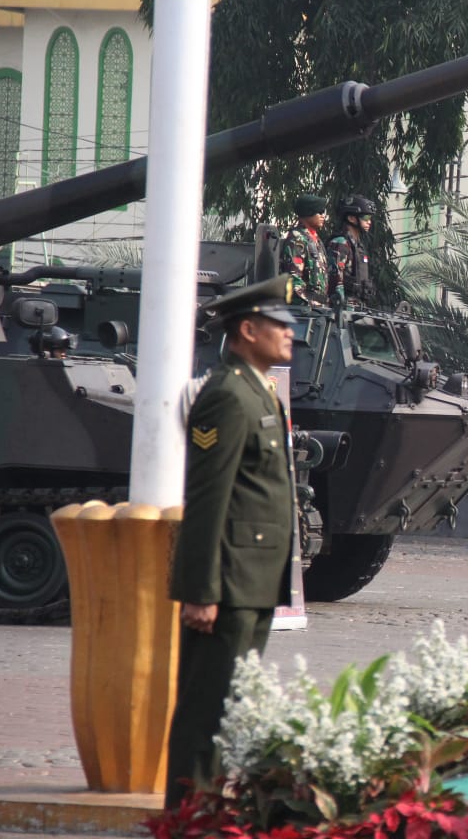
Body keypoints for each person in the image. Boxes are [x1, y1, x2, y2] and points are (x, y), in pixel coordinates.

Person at [164, 275, 297, 807]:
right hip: (227, 588)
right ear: (247, 329)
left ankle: (213, 809)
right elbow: (208, 500)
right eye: (278, 325)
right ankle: (186, 816)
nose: (290, 334)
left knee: (233, 708)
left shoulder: (258, 390)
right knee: (206, 712)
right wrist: (201, 589)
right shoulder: (227, 395)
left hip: (253, 584)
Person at [327, 194, 377, 307]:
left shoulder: (358, 245)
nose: (369, 222)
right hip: (343, 309)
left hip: (358, 306)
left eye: (370, 218)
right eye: (365, 218)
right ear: (351, 218)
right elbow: (335, 279)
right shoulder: (341, 243)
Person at [279, 193, 329, 305]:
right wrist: (308, 303)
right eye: (320, 212)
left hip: (319, 309)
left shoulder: (315, 240)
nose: (323, 216)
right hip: (304, 310)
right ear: (308, 212)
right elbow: (293, 278)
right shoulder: (297, 239)